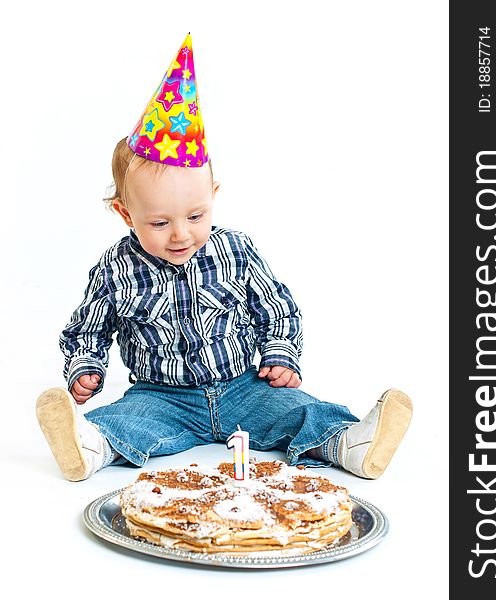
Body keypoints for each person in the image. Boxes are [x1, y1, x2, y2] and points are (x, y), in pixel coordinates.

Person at [36, 34, 412, 482]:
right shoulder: (117, 268)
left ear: (213, 197)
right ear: (125, 213)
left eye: (196, 215)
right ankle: (87, 446)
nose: (180, 234)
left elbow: (276, 307)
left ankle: (351, 443)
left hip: (244, 388)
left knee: (297, 409)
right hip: (162, 395)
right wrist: (86, 368)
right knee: (126, 420)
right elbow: (87, 329)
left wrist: (280, 355)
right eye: (158, 223)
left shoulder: (235, 249)